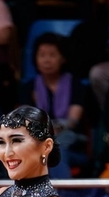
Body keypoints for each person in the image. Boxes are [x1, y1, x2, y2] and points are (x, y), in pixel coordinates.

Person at [20, 32, 89, 178]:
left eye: (52, 55)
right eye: (42, 55)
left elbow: (73, 121)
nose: (47, 60)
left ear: (63, 58)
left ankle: (61, 191)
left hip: (71, 143)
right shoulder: (29, 87)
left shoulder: (75, 85)